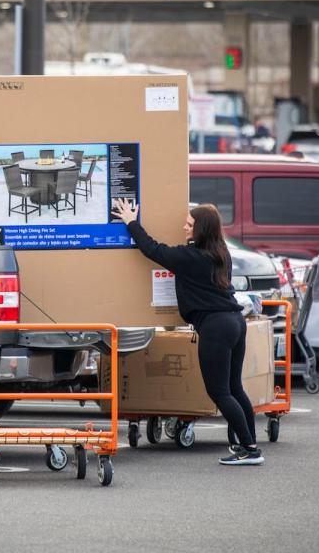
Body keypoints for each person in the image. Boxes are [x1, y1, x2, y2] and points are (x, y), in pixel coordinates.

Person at [111, 199, 264, 466]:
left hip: (215, 327)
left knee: (219, 392)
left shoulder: (192, 258)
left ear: (202, 229)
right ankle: (247, 443)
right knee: (234, 387)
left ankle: (249, 450)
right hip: (235, 322)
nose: (184, 227)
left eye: (190, 224)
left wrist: (130, 221)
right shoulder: (220, 253)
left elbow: (152, 249)